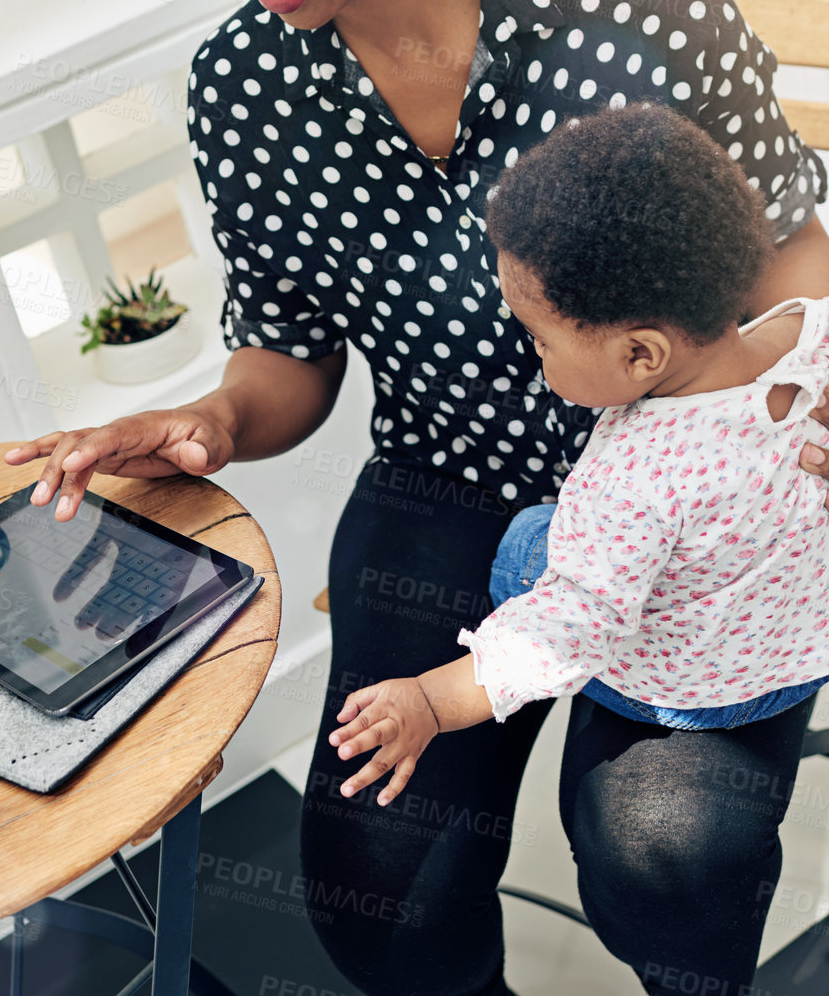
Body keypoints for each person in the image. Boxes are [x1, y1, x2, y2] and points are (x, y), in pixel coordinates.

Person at [3, 0, 829, 996]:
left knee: (664, 843)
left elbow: (789, 238)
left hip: (695, 485)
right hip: (453, 487)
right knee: (373, 867)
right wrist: (202, 421)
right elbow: (287, 360)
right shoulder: (245, 85)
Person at [330, 104, 829, 805]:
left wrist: (432, 701)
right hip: (805, 646)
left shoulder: (630, 478)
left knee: (529, 540)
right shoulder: (810, 331)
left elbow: (565, 631)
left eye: (539, 338)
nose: (532, 354)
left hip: (696, 695)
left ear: (639, 353)